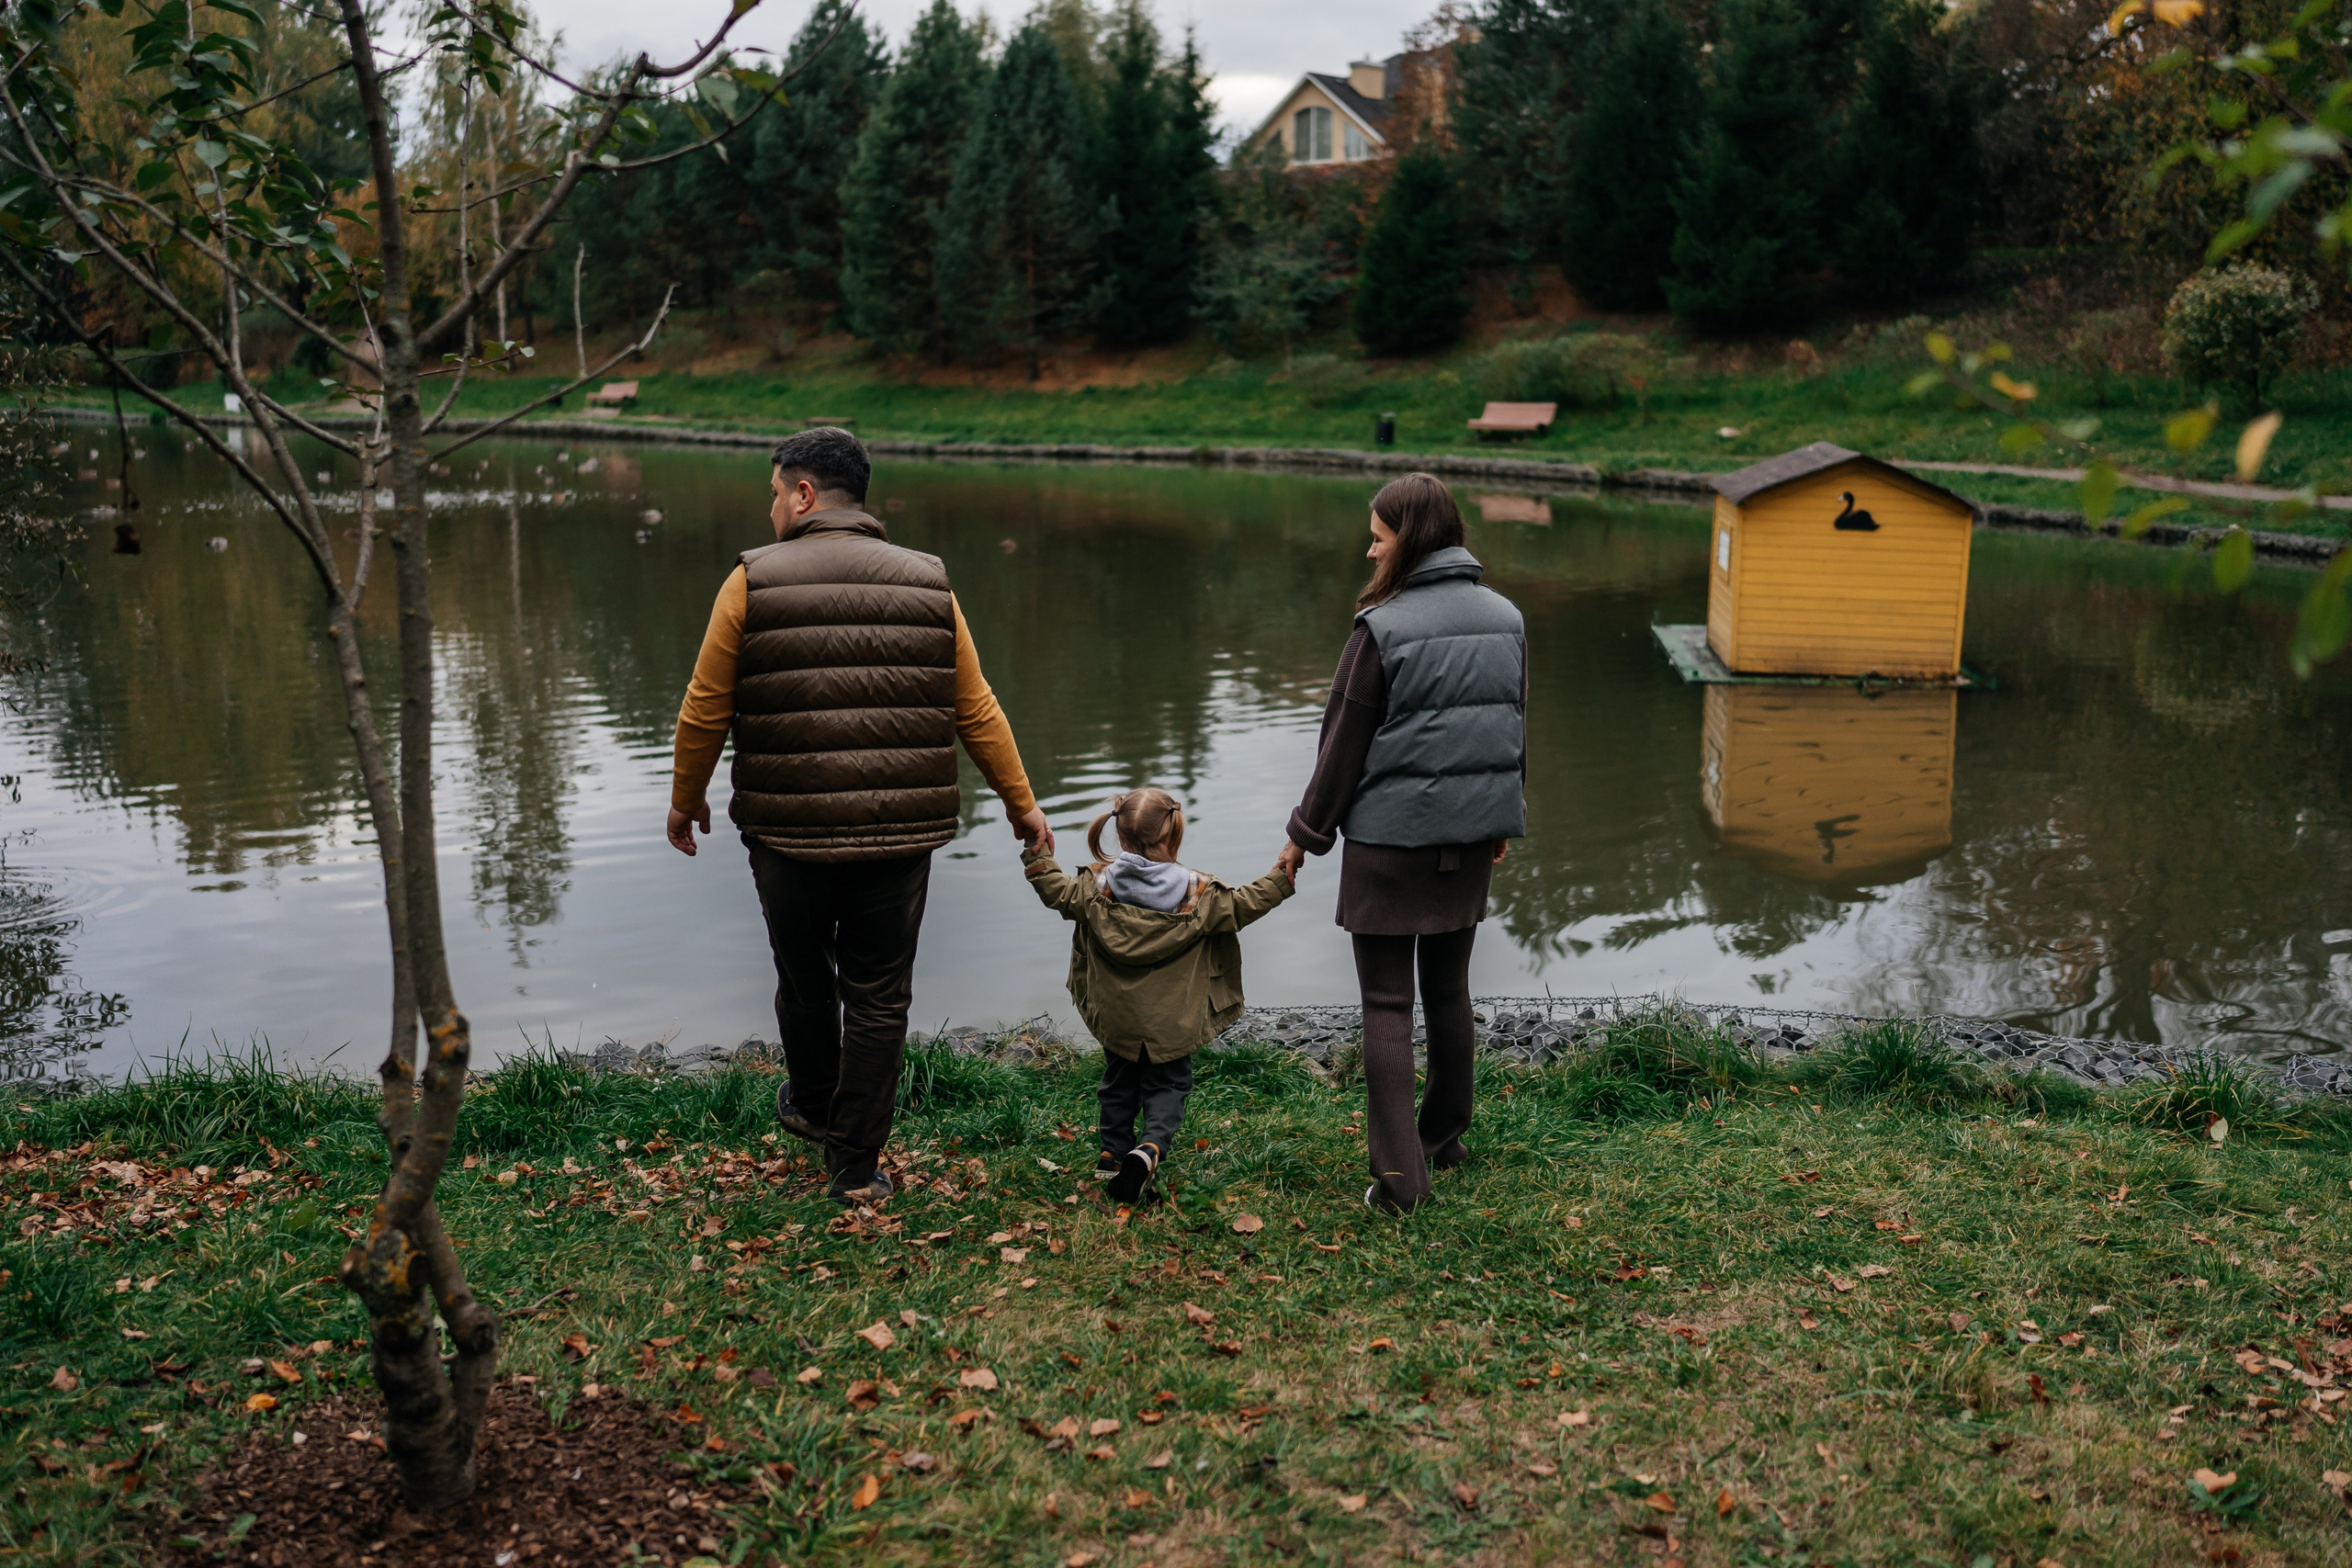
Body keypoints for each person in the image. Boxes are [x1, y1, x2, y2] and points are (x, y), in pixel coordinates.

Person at [666, 427, 1052, 1206]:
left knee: (805, 978)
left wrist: (686, 799)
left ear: (805, 494)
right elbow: (974, 709)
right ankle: (856, 1168)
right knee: (879, 993)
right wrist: (1022, 804)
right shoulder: (928, 582)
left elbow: (704, 710)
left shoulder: (751, 581)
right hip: (898, 834)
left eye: (775, 492)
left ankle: (812, 1105)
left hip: (786, 833)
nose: (771, 507)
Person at [1276, 472, 1526, 1213]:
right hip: (1472, 835)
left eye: (1378, 537)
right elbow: (1510, 721)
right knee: (1449, 989)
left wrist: (1302, 837)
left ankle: (1398, 1185)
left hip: (1390, 845)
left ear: (1408, 541)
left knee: (1386, 1004)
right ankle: (1442, 1141)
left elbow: (1341, 748)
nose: (1369, 549)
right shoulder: (1507, 616)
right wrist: (1502, 813)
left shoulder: (1381, 628)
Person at [1023, 788, 1293, 1204]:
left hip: (1118, 1018)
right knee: (1169, 1084)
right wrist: (1283, 873)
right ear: (1172, 837)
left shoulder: (1094, 887)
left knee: (1117, 1082)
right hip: (1172, 1020)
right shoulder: (1200, 896)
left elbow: (1053, 889)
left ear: (1120, 835)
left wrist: (1036, 851)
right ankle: (1148, 1149)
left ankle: (1111, 1156)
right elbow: (1246, 905)